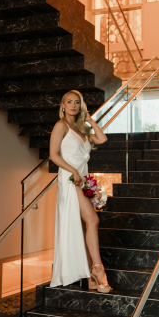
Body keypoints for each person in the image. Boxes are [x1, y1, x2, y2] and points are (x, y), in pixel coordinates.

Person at [49, 89, 112, 293]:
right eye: (70, 102)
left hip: (82, 180)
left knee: (86, 224)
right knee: (92, 221)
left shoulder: (81, 128)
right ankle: (97, 270)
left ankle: (93, 274)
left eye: (77, 102)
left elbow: (102, 139)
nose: (73, 105)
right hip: (71, 179)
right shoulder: (61, 126)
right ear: (63, 105)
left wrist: (90, 120)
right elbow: (53, 155)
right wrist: (73, 170)